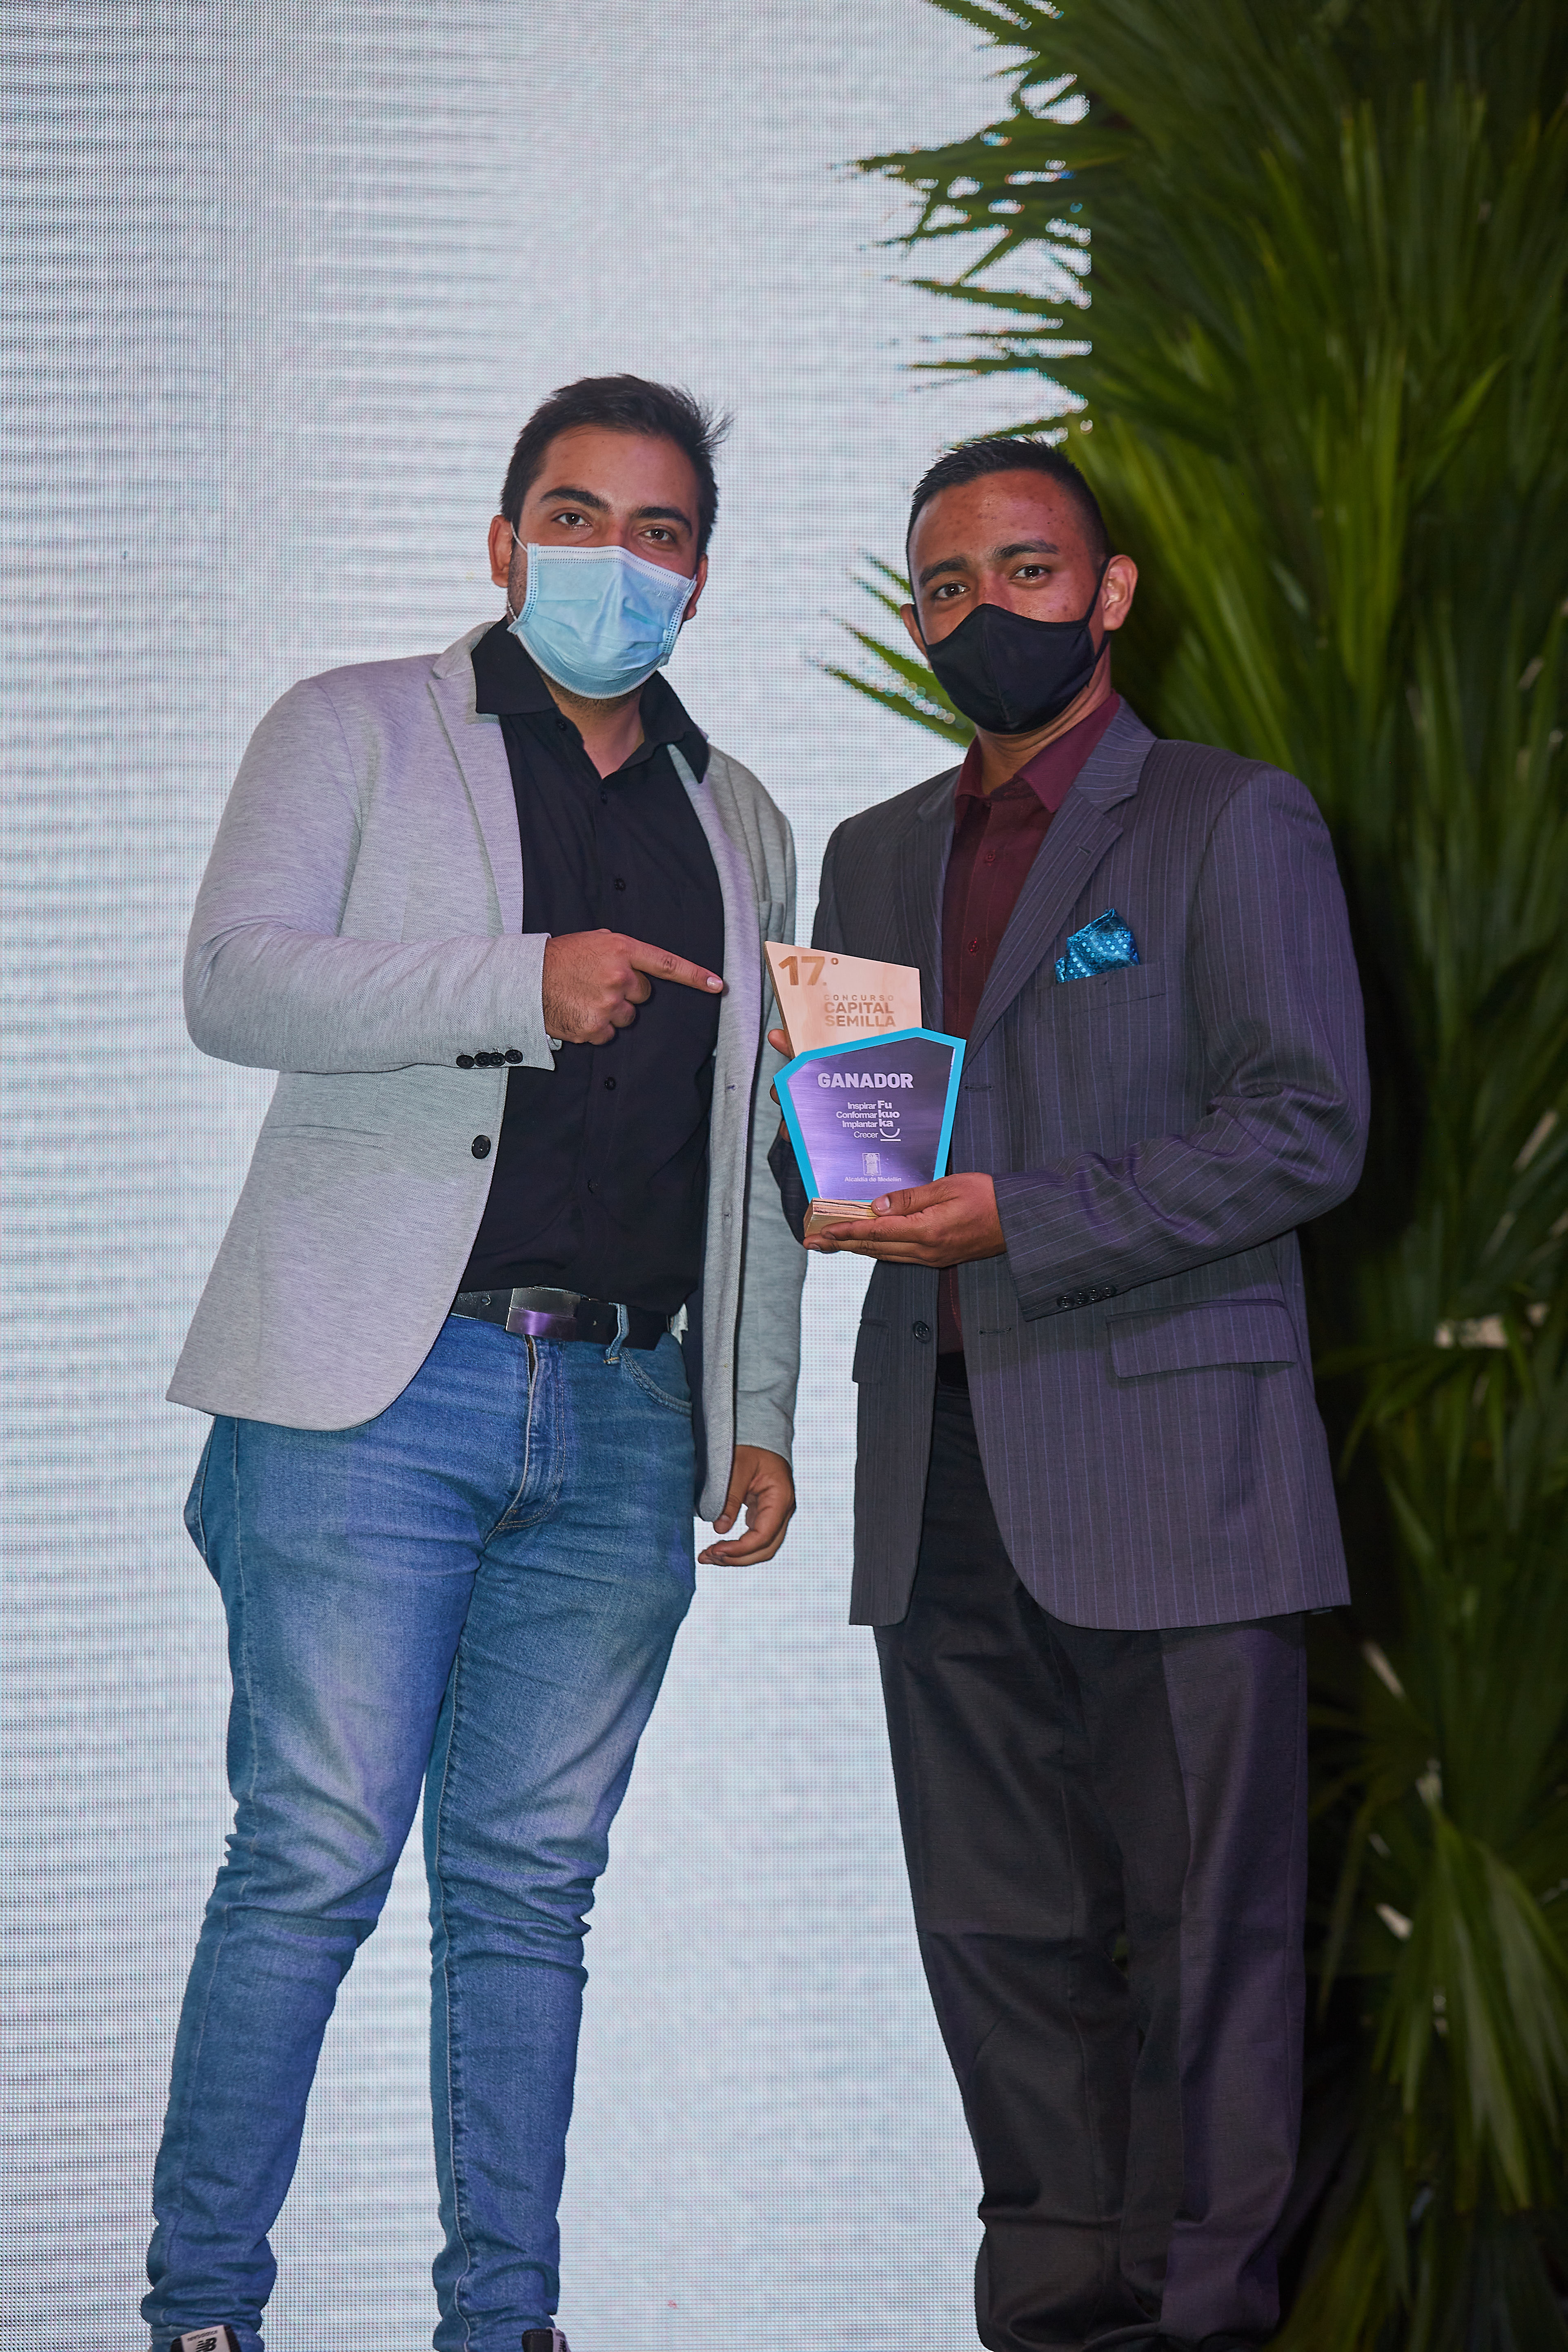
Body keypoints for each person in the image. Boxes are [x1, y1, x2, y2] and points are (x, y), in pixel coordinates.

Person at [148, 374, 804, 2352]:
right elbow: (233, 981)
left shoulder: (741, 819)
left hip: (627, 1413)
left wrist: (757, 1407)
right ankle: (203, 2312)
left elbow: (758, 1142)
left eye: (661, 531)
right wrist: (521, 985)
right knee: (316, 1854)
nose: (618, 560)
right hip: (379, 1390)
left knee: (531, 1894)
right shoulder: (355, 726)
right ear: (506, 540)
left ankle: (506, 2322)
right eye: (577, 518)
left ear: (700, 575)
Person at [771, 439, 1368, 2352]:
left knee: (1209, 1961)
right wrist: (816, 1174)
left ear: (1107, 595)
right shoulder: (874, 855)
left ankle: (1203, 2326)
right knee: (1002, 1954)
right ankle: (1051, 2325)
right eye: (945, 586)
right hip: (938, 1477)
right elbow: (854, 1133)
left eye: (1024, 572)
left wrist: (1023, 1215)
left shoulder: (1228, 819)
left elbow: (1306, 1125)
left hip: (1173, 1472)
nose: (984, 611)